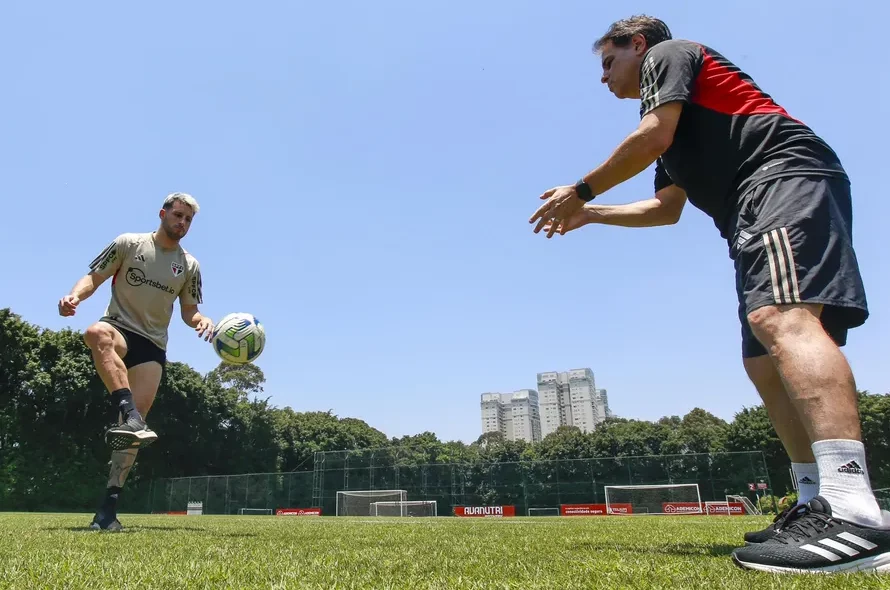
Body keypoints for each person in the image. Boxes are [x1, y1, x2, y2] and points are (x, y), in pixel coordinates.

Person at [529, 15, 889, 574]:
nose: (603, 79)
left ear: (638, 44)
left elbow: (652, 136)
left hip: (781, 180)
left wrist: (579, 189)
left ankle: (854, 510)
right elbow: (665, 211)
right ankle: (812, 501)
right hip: (754, 206)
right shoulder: (673, 134)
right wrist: (591, 215)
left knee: (782, 318)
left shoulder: (669, 55)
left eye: (608, 62)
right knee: (762, 362)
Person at [58, 192, 213, 531]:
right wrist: (74, 296)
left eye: (188, 219)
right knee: (95, 333)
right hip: (119, 328)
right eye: (178, 215)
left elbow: (189, 310)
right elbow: (94, 277)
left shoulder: (190, 266)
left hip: (153, 347)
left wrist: (200, 320)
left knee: (130, 439)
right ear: (162, 213)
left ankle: (108, 511)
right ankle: (130, 414)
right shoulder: (128, 243)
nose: (182, 223)